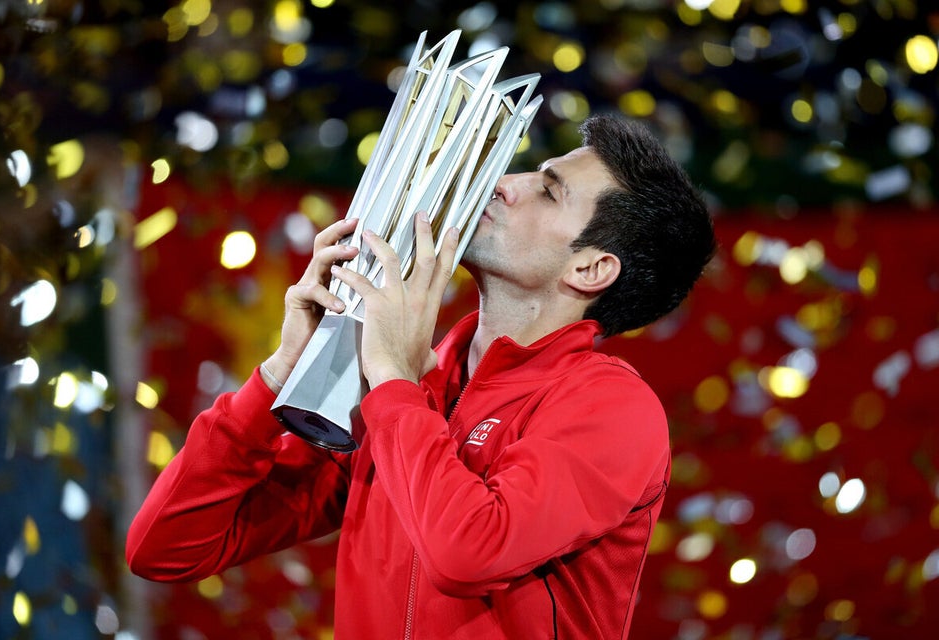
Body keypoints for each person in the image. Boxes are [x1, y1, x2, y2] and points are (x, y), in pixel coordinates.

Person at [126, 113, 717, 639]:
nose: (503, 184)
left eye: (548, 193)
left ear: (591, 268)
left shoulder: (611, 408)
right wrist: (278, 376)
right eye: (528, 173)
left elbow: (469, 552)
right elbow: (166, 549)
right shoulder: (416, 386)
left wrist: (392, 381)